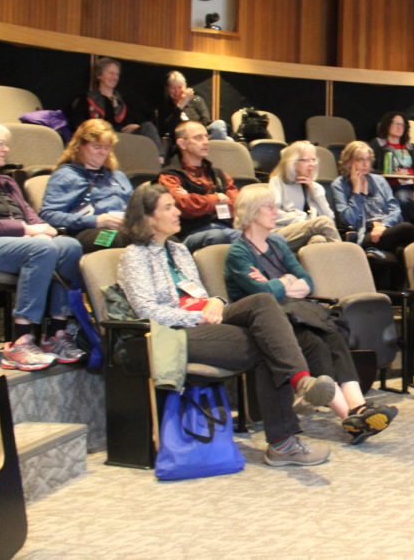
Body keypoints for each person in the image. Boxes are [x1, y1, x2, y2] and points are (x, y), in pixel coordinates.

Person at [118, 183, 336, 466]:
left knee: (262, 302)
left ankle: (300, 384)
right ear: (148, 218)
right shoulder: (135, 255)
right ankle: (287, 431)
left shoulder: (179, 250)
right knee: (268, 345)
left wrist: (216, 301)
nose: (177, 212)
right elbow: (146, 311)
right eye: (168, 207)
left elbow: (201, 294)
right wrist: (198, 316)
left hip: (206, 318)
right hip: (173, 333)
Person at [224, 184, 396, 443]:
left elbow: (307, 282)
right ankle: (349, 418)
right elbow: (262, 293)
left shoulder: (277, 244)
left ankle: (359, 408)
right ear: (251, 212)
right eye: (269, 207)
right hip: (265, 322)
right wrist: (287, 281)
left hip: (294, 313)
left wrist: (280, 283)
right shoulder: (238, 252)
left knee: (333, 335)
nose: (275, 212)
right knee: (314, 342)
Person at [0, 118, 84, 370]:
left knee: (70, 246)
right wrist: (25, 230)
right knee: (41, 248)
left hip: (17, 244)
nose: (5, 149)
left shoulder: (5, 182)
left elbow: (29, 215)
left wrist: (43, 229)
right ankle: (20, 341)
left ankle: (55, 333)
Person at [39, 119, 133, 252]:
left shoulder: (118, 176)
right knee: (121, 238)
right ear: (80, 146)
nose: (103, 152)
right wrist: (96, 221)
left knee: (160, 238)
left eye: (106, 148)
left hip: (125, 227)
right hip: (88, 231)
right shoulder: (66, 175)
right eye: (97, 147)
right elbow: (48, 215)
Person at [157, 120, 241, 251]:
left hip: (225, 228)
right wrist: (217, 199)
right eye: (198, 138)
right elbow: (183, 205)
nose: (206, 142)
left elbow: (238, 205)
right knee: (219, 236)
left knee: (264, 238)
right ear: (182, 143)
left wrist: (196, 200)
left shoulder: (219, 175)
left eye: (206, 137)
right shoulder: (170, 176)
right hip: (188, 234)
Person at [331, 141, 414, 258]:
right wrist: (356, 191)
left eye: (368, 159)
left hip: (386, 229)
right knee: (408, 229)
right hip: (365, 233)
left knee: (402, 250)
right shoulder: (339, 184)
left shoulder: (379, 180)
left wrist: (384, 225)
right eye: (360, 160)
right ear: (349, 162)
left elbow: (395, 209)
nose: (365, 164)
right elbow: (349, 220)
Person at [70, 57, 164, 157]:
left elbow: (133, 119)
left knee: (148, 126)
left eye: (117, 74)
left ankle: (159, 160)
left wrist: (135, 126)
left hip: (123, 138)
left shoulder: (123, 100)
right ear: (99, 75)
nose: (115, 77)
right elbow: (80, 124)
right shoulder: (87, 99)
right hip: (101, 138)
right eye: (111, 73)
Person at [268, 141, 340, 251]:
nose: (311, 164)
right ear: (292, 162)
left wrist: (314, 192)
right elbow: (273, 214)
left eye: (313, 160)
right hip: (282, 233)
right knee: (322, 222)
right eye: (306, 160)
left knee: (318, 239)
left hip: (307, 233)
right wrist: (303, 220)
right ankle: (344, 257)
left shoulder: (316, 188)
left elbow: (330, 218)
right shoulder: (278, 182)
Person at [368, 112, 414, 223]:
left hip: (413, 184)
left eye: (402, 124)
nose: (399, 127)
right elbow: (369, 170)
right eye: (396, 123)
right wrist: (391, 173)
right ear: (387, 124)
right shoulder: (377, 144)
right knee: (403, 199)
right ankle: (405, 228)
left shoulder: (411, 147)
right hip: (394, 186)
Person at [160, 71, 228, 140]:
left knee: (219, 125)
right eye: (173, 88)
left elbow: (206, 120)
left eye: (180, 87)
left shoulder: (196, 100)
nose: (177, 91)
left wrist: (196, 131)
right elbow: (167, 128)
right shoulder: (164, 107)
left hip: (202, 133)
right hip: (182, 138)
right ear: (167, 89)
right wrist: (180, 105)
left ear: (185, 87)